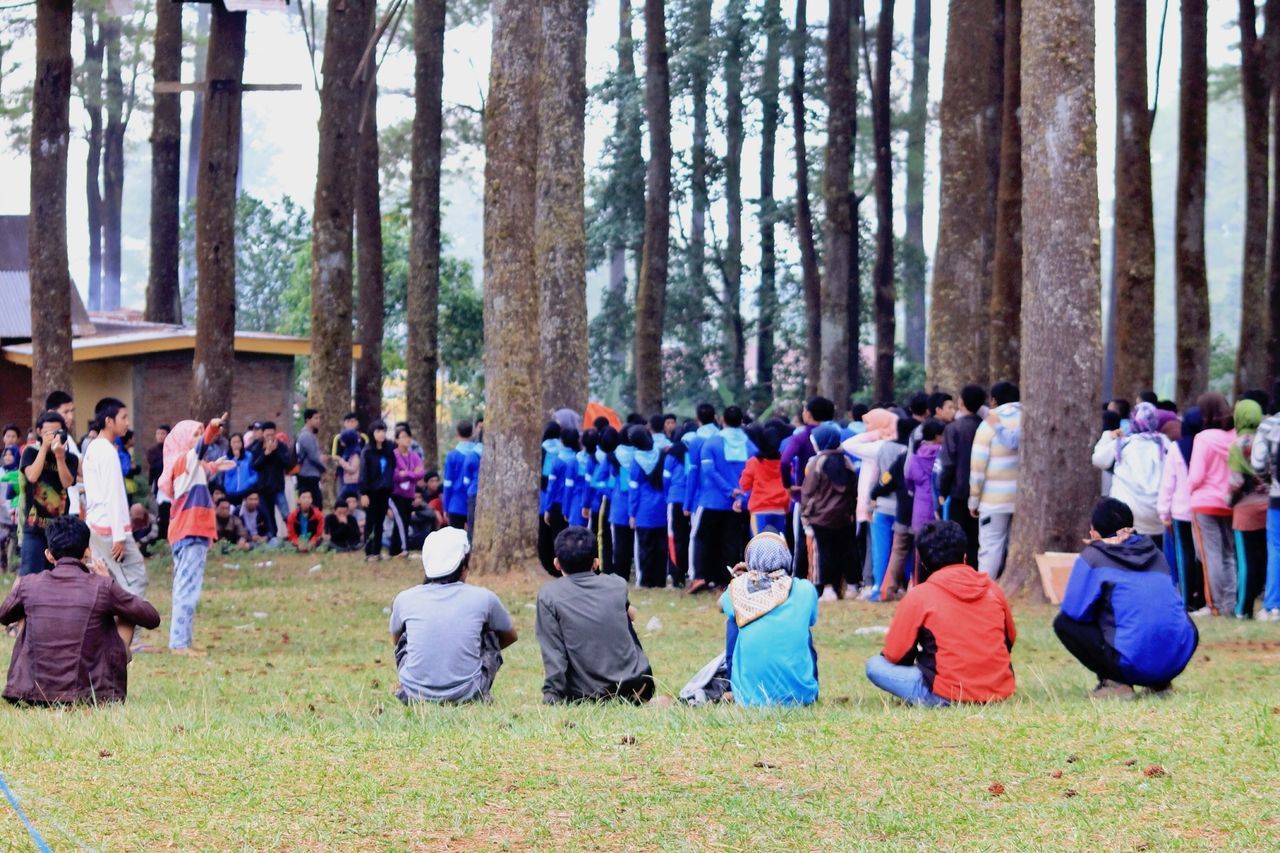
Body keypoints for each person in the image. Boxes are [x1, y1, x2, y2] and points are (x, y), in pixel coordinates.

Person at [1, 516, 161, 704]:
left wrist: (18, 588)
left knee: (24, 612)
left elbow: (4, 615)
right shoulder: (103, 585)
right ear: (87, 552)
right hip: (89, 694)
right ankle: (113, 669)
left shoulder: (28, 584)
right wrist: (111, 582)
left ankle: (35, 680)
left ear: (49, 555)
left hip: (32, 695)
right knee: (129, 612)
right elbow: (151, 617)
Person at [1054, 499, 1199, 699]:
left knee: (1064, 624)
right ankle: (1161, 684)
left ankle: (1115, 683)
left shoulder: (1093, 556)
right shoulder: (1155, 552)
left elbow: (1073, 611)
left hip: (1131, 662)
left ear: (1095, 532)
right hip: (1177, 658)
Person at [867, 520, 1017, 707]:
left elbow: (895, 655)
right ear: (964, 555)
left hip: (944, 693)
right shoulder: (992, 589)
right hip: (996, 691)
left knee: (874, 665)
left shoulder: (920, 596)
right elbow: (1009, 639)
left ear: (923, 562)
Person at [389, 527, 518, 704]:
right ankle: (478, 694)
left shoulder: (405, 598)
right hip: (469, 692)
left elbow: (397, 641)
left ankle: (413, 686)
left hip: (414, 694)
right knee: (489, 631)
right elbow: (510, 636)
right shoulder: (484, 598)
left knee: (407, 634)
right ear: (464, 566)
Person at [536, 526, 655, 703]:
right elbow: (633, 615)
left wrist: (552, 695)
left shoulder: (549, 595)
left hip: (588, 694)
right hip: (639, 685)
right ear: (596, 563)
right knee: (624, 614)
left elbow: (554, 651)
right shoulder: (616, 584)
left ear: (557, 563)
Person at [161, 417, 236, 655]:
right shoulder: (185, 459)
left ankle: (183, 640)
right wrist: (213, 428)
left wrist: (214, 466)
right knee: (187, 589)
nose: (199, 438)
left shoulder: (186, 464)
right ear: (184, 440)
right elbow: (199, 452)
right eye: (195, 433)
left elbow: (201, 465)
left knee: (186, 586)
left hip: (188, 532)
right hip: (190, 531)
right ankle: (180, 644)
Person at [719, 532, 819, 707]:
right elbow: (810, 621)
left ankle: (733, 686)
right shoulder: (804, 589)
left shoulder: (738, 590)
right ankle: (807, 687)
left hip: (750, 700)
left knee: (734, 619)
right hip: (802, 697)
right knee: (803, 629)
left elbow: (720, 605)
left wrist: (744, 578)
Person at [83, 398, 149, 603]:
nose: (127, 423)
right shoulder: (107, 452)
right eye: (124, 417)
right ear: (109, 421)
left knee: (106, 582)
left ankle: (108, 632)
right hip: (111, 530)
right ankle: (129, 633)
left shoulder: (93, 448)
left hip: (96, 526)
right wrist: (119, 535)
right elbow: (111, 494)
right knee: (136, 580)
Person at [688, 406, 756, 594]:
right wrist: (740, 494)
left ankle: (698, 576)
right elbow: (754, 472)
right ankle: (727, 580)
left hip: (711, 500)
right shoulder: (750, 445)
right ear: (741, 421)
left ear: (722, 420)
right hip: (737, 504)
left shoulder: (711, 442)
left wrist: (728, 490)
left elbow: (709, 471)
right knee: (730, 542)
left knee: (700, 538)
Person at [1187, 392, 1237, 615]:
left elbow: (1196, 476)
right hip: (1229, 503)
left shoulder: (1204, 438)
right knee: (1228, 554)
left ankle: (1213, 604)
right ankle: (1229, 603)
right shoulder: (1235, 437)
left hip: (1204, 503)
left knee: (1210, 555)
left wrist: (1188, 490)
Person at [1092, 401, 1169, 544]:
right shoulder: (1164, 444)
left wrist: (1108, 436)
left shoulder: (1124, 443)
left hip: (1125, 513)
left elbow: (1098, 459)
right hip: (1156, 515)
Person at [843, 408, 899, 600]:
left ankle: (874, 584)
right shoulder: (895, 444)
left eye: (869, 424)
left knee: (876, 545)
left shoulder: (878, 447)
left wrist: (874, 434)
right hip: (889, 503)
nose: (866, 429)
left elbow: (848, 444)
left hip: (877, 504)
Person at [969, 382, 1021, 579]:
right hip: (1025, 501)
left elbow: (978, 466)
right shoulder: (1031, 419)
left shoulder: (989, 423)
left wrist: (974, 500)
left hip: (994, 500)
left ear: (993, 400)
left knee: (991, 547)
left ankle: (986, 588)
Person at [801, 423, 857, 600]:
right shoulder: (847, 462)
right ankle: (851, 587)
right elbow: (853, 490)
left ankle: (826, 589)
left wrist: (805, 516)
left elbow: (809, 492)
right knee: (846, 551)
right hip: (844, 517)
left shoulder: (816, 462)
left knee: (823, 554)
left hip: (821, 517)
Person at [782, 396, 836, 579]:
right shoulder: (834, 433)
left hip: (805, 496)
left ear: (810, 414)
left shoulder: (802, 436)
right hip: (832, 497)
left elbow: (784, 461)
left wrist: (789, 486)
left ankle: (799, 577)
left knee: (801, 542)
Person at [18, 411, 78, 576]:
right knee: (30, 575)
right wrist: (44, 448)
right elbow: (32, 476)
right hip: (34, 527)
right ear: (39, 432)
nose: (52, 437)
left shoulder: (70, 458)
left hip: (59, 529)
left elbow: (67, 482)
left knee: (57, 576)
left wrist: (59, 456)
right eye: (48, 433)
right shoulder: (30, 452)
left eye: (56, 432)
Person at [1160, 407, 1207, 611]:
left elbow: (1168, 482)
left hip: (1181, 511)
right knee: (1203, 556)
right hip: (1203, 510)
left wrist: (1163, 510)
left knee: (1184, 555)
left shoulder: (1177, 448)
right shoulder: (1206, 444)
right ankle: (1203, 598)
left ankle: (1186, 599)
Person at [937, 384, 986, 566]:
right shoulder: (984, 426)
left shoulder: (953, 429)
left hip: (958, 491)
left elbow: (948, 463)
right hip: (982, 492)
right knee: (976, 539)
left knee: (957, 538)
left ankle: (957, 573)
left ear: (961, 402)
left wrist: (942, 490)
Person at [1228, 398, 1268, 618]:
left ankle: (1242, 608)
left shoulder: (1238, 444)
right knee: (1263, 559)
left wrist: (1228, 501)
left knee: (1246, 562)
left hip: (1244, 510)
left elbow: (1235, 482)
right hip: (1268, 506)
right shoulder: (1267, 437)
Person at [683, 403, 722, 591]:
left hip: (702, 497)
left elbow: (693, 473)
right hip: (726, 497)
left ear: (698, 418)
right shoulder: (722, 436)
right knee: (718, 539)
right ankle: (715, 577)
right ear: (715, 416)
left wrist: (687, 502)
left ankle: (697, 575)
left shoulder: (697, 440)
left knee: (697, 537)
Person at [1250, 394, 1280, 621]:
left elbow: (1258, 463)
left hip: (1278, 497)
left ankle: (1273, 605)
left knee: (1277, 549)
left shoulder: (1269, 425)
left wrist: (1270, 482)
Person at [628, 426, 668, 588]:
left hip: (643, 512)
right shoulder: (661, 454)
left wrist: (632, 513)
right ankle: (660, 581)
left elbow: (634, 490)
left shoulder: (635, 460)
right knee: (660, 548)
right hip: (661, 508)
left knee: (644, 548)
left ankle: (644, 581)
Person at [739, 422, 789, 537]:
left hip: (759, 510)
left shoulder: (754, 462)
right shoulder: (784, 463)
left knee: (758, 543)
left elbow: (744, 485)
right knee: (779, 545)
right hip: (780, 509)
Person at [361, 420, 397, 561]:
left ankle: (377, 551)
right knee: (370, 521)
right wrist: (364, 493)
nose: (381, 434)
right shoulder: (367, 451)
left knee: (380, 522)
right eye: (378, 431)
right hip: (371, 491)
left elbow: (393, 467)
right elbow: (364, 473)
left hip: (385, 490)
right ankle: (369, 552)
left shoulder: (389, 450)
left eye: (383, 431)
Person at [250, 423, 293, 541]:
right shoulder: (256, 447)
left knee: (286, 513)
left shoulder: (281, 446)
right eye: (267, 434)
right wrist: (266, 453)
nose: (270, 437)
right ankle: (272, 538)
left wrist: (275, 452)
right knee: (268, 515)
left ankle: (295, 536)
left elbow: (286, 464)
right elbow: (255, 465)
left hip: (277, 486)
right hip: (263, 488)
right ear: (262, 434)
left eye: (272, 434)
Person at [663, 424, 692, 587]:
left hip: (674, 499)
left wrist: (668, 497)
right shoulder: (692, 453)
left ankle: (676, 576)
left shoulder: (671, 455)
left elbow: (665, 480)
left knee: (674, 539)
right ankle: (687, 571)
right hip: (690, 501)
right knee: (687, 537)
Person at [390, 426, 425, 556]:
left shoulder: (414, 456)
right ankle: (402, 549)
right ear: (397, 440)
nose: (407, 439)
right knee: (400, 520)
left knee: (405, 520)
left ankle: (396, 549)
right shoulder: (393, 455)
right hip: (396, 494)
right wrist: (410, 473)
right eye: (403, 437)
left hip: (409, 494)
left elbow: (420, 473)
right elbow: (394, 475)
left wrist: (406, 473)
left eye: (408, 436)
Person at [537, 421, 565, 575]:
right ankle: (558, 566)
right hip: (560, 498)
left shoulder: (542, 448)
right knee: (558, 532)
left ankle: (545, 563)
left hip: (544, 495)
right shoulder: (563, 450)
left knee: (543, 533)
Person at [442, 420, 479, 529]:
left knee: (455, 539)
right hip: (474, 502)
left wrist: (445, 506)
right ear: (472, 433)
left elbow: (447, 483)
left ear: (457, 433)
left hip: (456, 504)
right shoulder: (478, 454)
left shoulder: (452, 456)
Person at [294, 408, 326, 510]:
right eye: (315, 418)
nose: (318, 421)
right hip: (307, 475)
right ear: (308, 420)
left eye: (319, 418)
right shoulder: (306, 436)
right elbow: (313, 457)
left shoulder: (309, 435)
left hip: (310, 474)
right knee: (314, 505)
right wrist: (323, 468)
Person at [219, 431, 258, 507]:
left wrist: (249, 482)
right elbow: (229, 472)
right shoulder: (226, 457)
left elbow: (254, 472)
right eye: (234, 442)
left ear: (242, 443)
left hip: (245, 490)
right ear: (230, 444)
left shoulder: (248, 456)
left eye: (238, 442)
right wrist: (235, 459)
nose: (236, 444)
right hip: (230, 491)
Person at [335, 428, 364, 504]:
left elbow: (353, 469)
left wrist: (341, 461)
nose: (341, 442)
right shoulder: (348, 451)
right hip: (346, 481)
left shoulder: (355, 453)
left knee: (343, 502)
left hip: (352, 483)